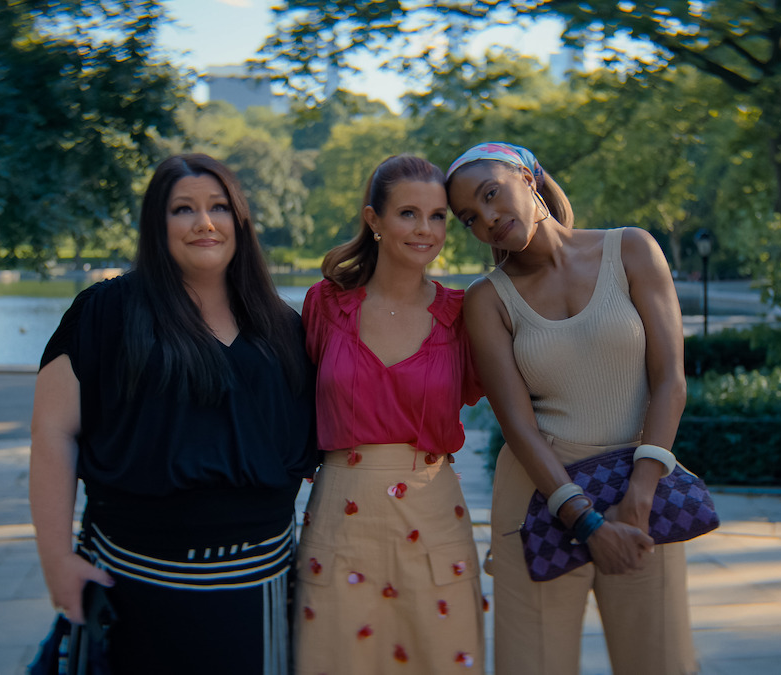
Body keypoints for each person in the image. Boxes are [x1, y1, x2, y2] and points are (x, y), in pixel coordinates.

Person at [29, 153, 317, 674]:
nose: (204, 222)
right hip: (132, 587)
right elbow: (53, 432)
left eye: (219, 207)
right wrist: (56, 560)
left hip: (259, 594)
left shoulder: (284, 328)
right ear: (156, 224)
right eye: (183, 209)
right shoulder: (106, 313)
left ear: (240, 220)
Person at [446, 142, 698, 675]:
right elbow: (515, 423)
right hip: (539, 501)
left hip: (641, 496)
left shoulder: (632, 249)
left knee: (661, 663)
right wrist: (584, 521)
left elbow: (669, 378)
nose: (488, 218)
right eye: (470, 216)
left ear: (529, 178)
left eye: (492, 195)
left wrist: (639, 496)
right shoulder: (487, 300)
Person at [293, 154, 485, 674]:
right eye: (408, 214)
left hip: (434, 518)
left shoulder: (466, 315)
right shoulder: (325, 307)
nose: (426, 229)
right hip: (340, 521)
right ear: (374, 220)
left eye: (439, 216)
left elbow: (528, 398)